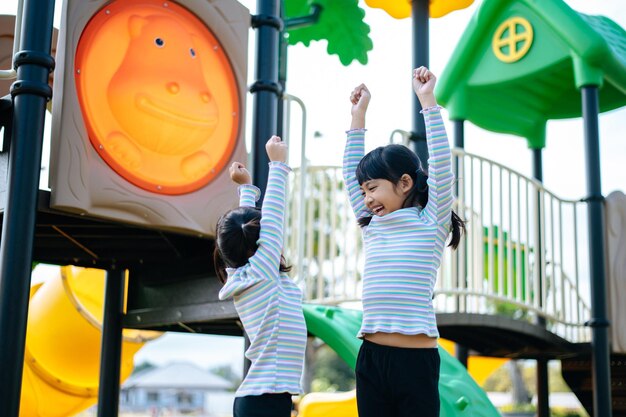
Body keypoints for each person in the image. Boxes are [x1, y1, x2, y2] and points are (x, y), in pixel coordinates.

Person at [343, 66, 465, 417]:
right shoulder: (371, 224)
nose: (366, 198)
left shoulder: (431, 222)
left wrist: (427, 101)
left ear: (405, 183)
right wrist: (358, 116)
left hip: (415, 361)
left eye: (373, 188)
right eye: (363, 191)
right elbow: (349, 169)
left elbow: (442, 165)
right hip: (371, 358)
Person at [214, 136, 306, 417]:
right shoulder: (262, 275)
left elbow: (246, 227)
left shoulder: (244, 274)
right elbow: (273, 219)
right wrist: (277, 165)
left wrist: (245, 188)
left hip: (262, 398)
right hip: (265, 399)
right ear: (262, 246)